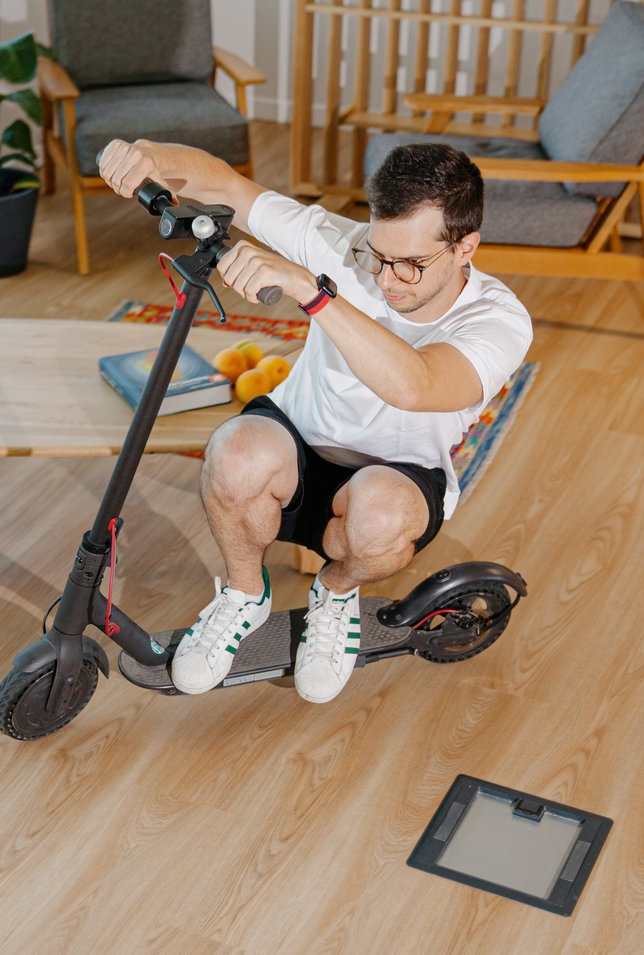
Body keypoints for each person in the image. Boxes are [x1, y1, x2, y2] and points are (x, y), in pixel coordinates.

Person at [98, 139, 533, 703]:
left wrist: (316, 294)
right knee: (233, 450)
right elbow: (226, 185)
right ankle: (243, 595)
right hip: (298, 442)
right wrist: (149, 156)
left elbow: (415, 384)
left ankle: (335, 591)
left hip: (394, 475)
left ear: (465, 246)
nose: (387, 278)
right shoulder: (344, 246)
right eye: (379, 254)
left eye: (411, 264)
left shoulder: (498, 319)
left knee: (379, 518)